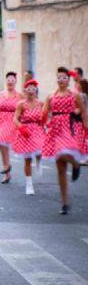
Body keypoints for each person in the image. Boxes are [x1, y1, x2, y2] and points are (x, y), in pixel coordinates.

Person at [41, 67, 87, 215]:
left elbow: (83, 110)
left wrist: (86, 127)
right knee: (60, 166)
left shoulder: (75, 95)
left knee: (63, 153)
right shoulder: (50, 96)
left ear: (68, 80)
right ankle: (64, 202)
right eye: (59, 77)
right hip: (55, 129)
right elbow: (44, 113)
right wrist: (40, 122)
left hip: (70, 128)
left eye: (64, 78)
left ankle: (75, 164)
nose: (61, 80)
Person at [0, 72, 23, 183]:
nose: (10, 82)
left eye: (13, 80)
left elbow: (25, 107)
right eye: (9, 80)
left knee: (2, 141)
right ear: (6, 81)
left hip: (12, 121)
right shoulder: (1, 95)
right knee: (1, 143)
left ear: (15, 82)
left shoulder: (19, 96)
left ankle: (7, 166)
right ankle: (7, 171)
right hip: (1, 121)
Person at [13, 79, 44, 195]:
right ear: (25, 90)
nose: (31, 91)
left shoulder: (40, 103)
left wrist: (47, 121)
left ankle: (39, 162)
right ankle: (29, 184)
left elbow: (46, 116)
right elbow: (15, 119)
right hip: (25, 131)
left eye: (33, 88)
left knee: (40, 151)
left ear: (36, 90)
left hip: (38, 130)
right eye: (29, 89)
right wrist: (21, 127)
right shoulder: (21, 104)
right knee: (27, 159)